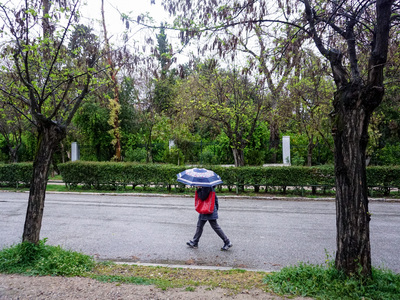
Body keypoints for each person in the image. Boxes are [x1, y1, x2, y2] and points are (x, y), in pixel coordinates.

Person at [187, 186, 232, 251]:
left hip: (208, 210)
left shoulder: (206, 187)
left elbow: (202, 197)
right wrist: (215, 209)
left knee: (215, 226)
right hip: (208, 209)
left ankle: (227, 242)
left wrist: (199, 189)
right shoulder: (210, 186)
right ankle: (195, 242)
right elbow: (215, 199)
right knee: (200, 225)